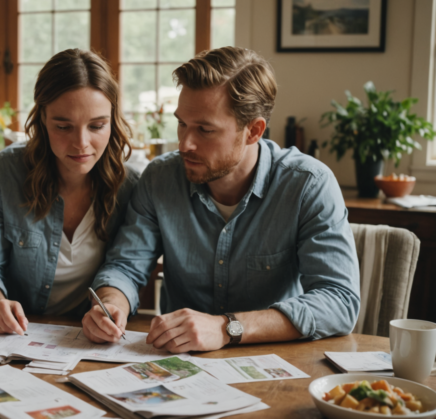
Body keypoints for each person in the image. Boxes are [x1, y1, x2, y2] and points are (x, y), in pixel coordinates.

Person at [84, 46, 361, 351]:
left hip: (276, 364)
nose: (185, 143)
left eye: (205, 129)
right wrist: (111, 303)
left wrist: (226, 327)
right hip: (180, 364)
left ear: (253, 131)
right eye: (182, 124)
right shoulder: (160, 178)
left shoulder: (308, 185)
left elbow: (339, 301)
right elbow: (126, 266)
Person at [0, 49, 139, 335]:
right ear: (42, 118)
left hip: (88, 341)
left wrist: (110, 305)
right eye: (63, 126)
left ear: (113, 121)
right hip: (16, 337)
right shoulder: (4, 173)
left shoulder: (130, 185)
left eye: (97, 125)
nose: (81, 143)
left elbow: (126, 267)